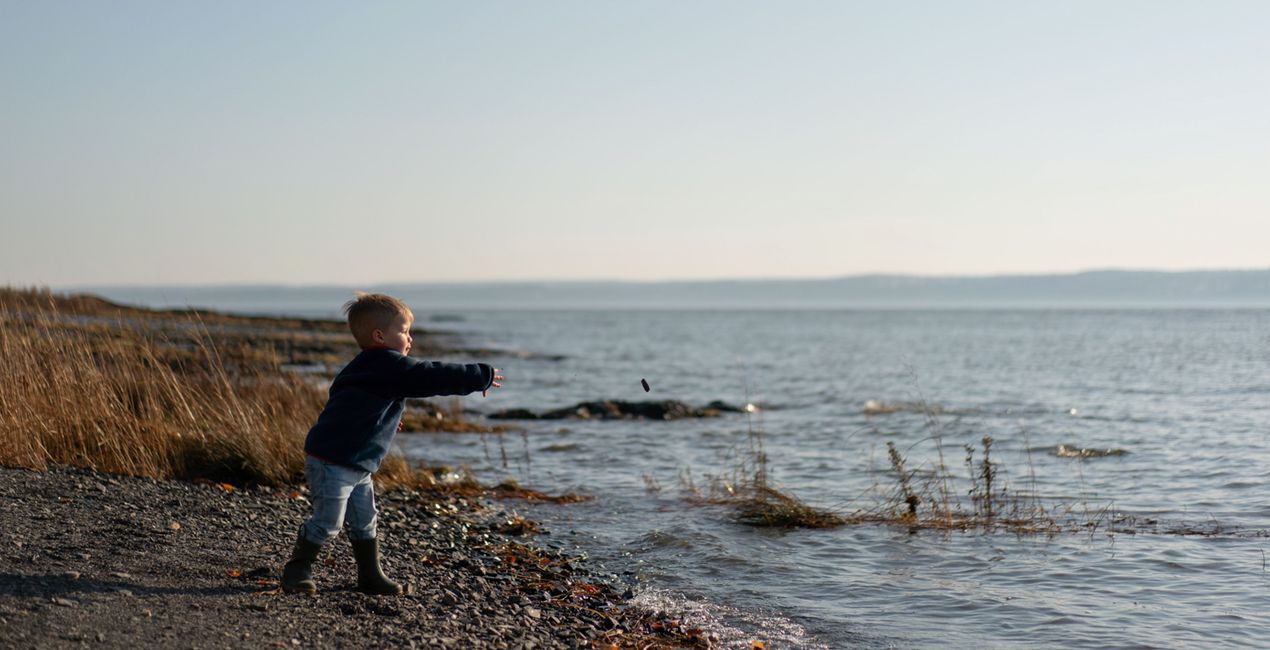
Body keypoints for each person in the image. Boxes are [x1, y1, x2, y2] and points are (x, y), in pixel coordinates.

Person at [281, 293, 503, 595]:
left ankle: (370, 575)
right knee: (329, 521)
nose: (409, 339)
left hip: (357, 462)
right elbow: (429, 376)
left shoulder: (364, 367)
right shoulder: (388, 365)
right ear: (379, 336)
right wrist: (480, 376)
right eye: (404, 331)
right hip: (332, 460)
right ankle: (297, 569)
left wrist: (384, 420)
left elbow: (352, 399)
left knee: (365, 519)